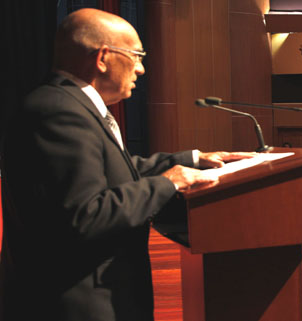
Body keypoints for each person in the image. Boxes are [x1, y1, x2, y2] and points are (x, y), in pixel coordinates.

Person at [0, 8, 255, 321]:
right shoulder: (58, 112)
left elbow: (113, 168)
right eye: (136, 55)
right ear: (103, 57)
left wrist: (193, 159)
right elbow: (85, 214)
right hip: (76, 304)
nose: (141, 68)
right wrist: (168, 182)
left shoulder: (69, 105)